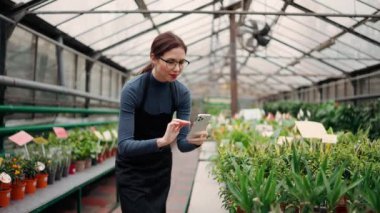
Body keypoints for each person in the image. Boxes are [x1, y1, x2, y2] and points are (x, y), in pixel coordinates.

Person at [116, 31, 208, 213]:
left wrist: (195, 141)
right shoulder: (133, 89)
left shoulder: (181, 93)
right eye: (171, 61)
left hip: (160, 169)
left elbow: (181, 145)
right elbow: (124, 145)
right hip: (132, 169)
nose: (177, 68)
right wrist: (162, 142)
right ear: (154, 58)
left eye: (182, 62)